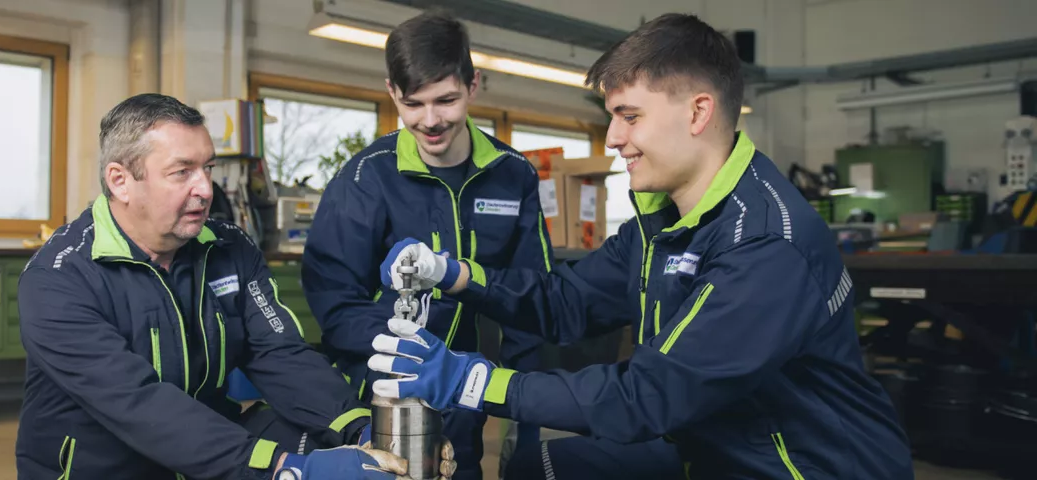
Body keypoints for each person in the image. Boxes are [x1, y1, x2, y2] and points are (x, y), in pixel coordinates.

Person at [367, 13, 915, 480]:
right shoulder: (663, 223)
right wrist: (455, 275)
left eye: (630, 117)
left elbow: (646, 397)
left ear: (698, 112)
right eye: (611, 117)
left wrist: (473, 381)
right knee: (539, 465)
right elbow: (566, 303)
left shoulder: (765, 244)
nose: (612, 138)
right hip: (709, 443)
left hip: (797, 466)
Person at [15, 93, 454, 480]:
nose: (205, 189)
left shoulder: (230, 248)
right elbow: (136, 402)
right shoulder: (59, 278)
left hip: (206, 453)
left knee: (321, 437)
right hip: (107, 466)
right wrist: (284, 469)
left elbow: (280, 355)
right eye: (182, 172)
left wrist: (363, 431)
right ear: (120, 181)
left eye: (207, 168)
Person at [300, 10, 570, 479]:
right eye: (413, 104)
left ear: (473, 85)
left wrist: (526, 414)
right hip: (380, 396)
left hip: (467, 393)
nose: (430, 121)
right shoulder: (365, 178)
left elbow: (532, 298)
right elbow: (335, 301)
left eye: (446, 100)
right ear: (392, 92)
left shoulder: (512, 175)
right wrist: (407, 354)